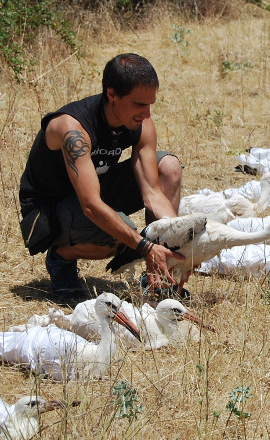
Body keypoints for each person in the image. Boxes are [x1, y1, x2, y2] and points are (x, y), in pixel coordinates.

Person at [18, 53, 184, 296]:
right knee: (122, 235)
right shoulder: (73, 129)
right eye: (139, 104)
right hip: (49, 212)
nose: (146, 113)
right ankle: (61, 256)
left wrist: (180, 245)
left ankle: (157, 276)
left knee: (168, 167)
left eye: (150, 104)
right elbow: (91, 206)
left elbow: (153, 193)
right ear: (112, 95)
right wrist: (143, 246)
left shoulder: (140, 123)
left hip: (93, 190)